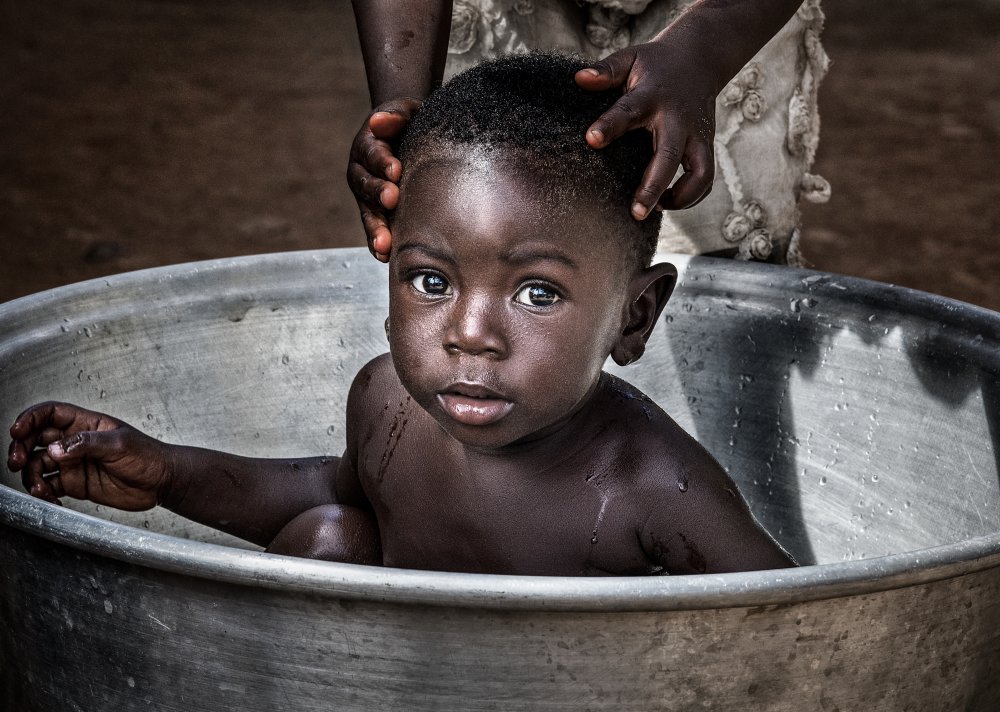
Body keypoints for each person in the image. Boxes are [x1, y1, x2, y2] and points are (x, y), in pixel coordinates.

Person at [7, 53, 794, 575]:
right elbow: (342, 490)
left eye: (538, 293)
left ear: (635, 316)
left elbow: (794, 628)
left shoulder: (652, 487)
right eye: (429, 281)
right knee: (329, 537)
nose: (469, 333)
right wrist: (166, 471)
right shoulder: (387, 403)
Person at [349, 0, 830, 266]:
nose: (474, 338)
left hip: (725, 16)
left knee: (715, 273)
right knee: (477, 233)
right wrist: (403, 114)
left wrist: (705, 52)